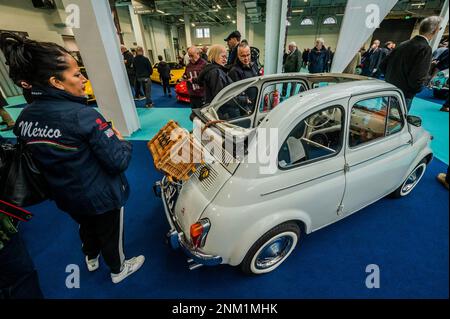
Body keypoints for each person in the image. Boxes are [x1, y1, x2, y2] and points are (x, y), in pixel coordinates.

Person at [0, 32, 145, 284]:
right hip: (102, 196)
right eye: (77, 74)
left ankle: (90, 257)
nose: (83, 79)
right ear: (56, 82)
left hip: (64, 195)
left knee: (85, 226)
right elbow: (118, 161)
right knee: (110, 233)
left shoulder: (24, 118)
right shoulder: (84, 116)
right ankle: (119, 269)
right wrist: (122, 141)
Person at [380, 16, 442, 112]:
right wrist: (417, 88)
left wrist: (391, 79)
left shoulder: (402, 44)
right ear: (435, 30)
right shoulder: (425, 48)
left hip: (389, 89)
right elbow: (418, 77)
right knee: (395, 123)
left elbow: (382, 65)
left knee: (382, 119)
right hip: (404, 94)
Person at [198, 44, 235, 118]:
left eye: (226, 57)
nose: (225, 60)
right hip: (221, 113)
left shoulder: (213, 70)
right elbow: (220, 97)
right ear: (214, 56)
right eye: (223, 57)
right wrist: (242, 100)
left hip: (217, 111)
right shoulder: (215, 72)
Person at [183, 46, 207, 112]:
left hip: (202, 95)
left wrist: (195, 80)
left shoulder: (204, 64)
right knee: (194, 114)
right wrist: (184, 77)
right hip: (192, 95)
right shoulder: (188, 66)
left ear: (197, 54)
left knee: (203, 115)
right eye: (189, 56)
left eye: (192, 56)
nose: (190, 58)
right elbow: (185, 75)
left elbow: (207, 80)